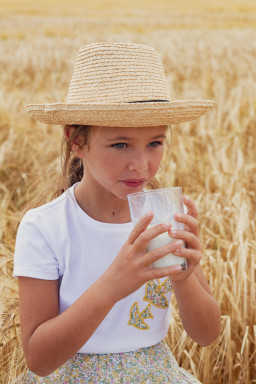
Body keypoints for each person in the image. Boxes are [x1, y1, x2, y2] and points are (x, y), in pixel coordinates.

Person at [13, 42, 221, 383]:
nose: (140, 164)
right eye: (120, 144)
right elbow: (39, 359)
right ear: (77, 142)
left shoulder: (167, 214)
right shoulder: (45, 227)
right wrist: (114, 284)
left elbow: (207, 335)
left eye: (154, 143)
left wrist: (184, 277)